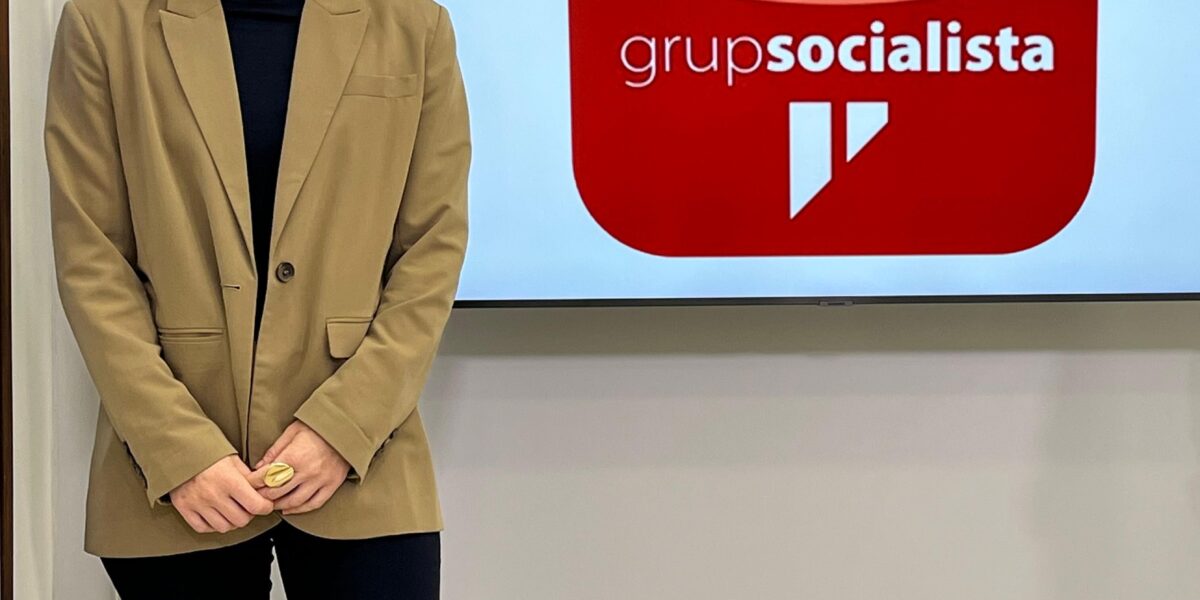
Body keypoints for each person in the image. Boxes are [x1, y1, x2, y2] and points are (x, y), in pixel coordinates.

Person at [42, 0, 470, 595]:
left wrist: (344, 428)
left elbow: (432, 250)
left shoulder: (413, 24)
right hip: (176, 469)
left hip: (365, 457)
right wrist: (178, 449)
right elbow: (93, 260)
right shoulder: (105, 23)